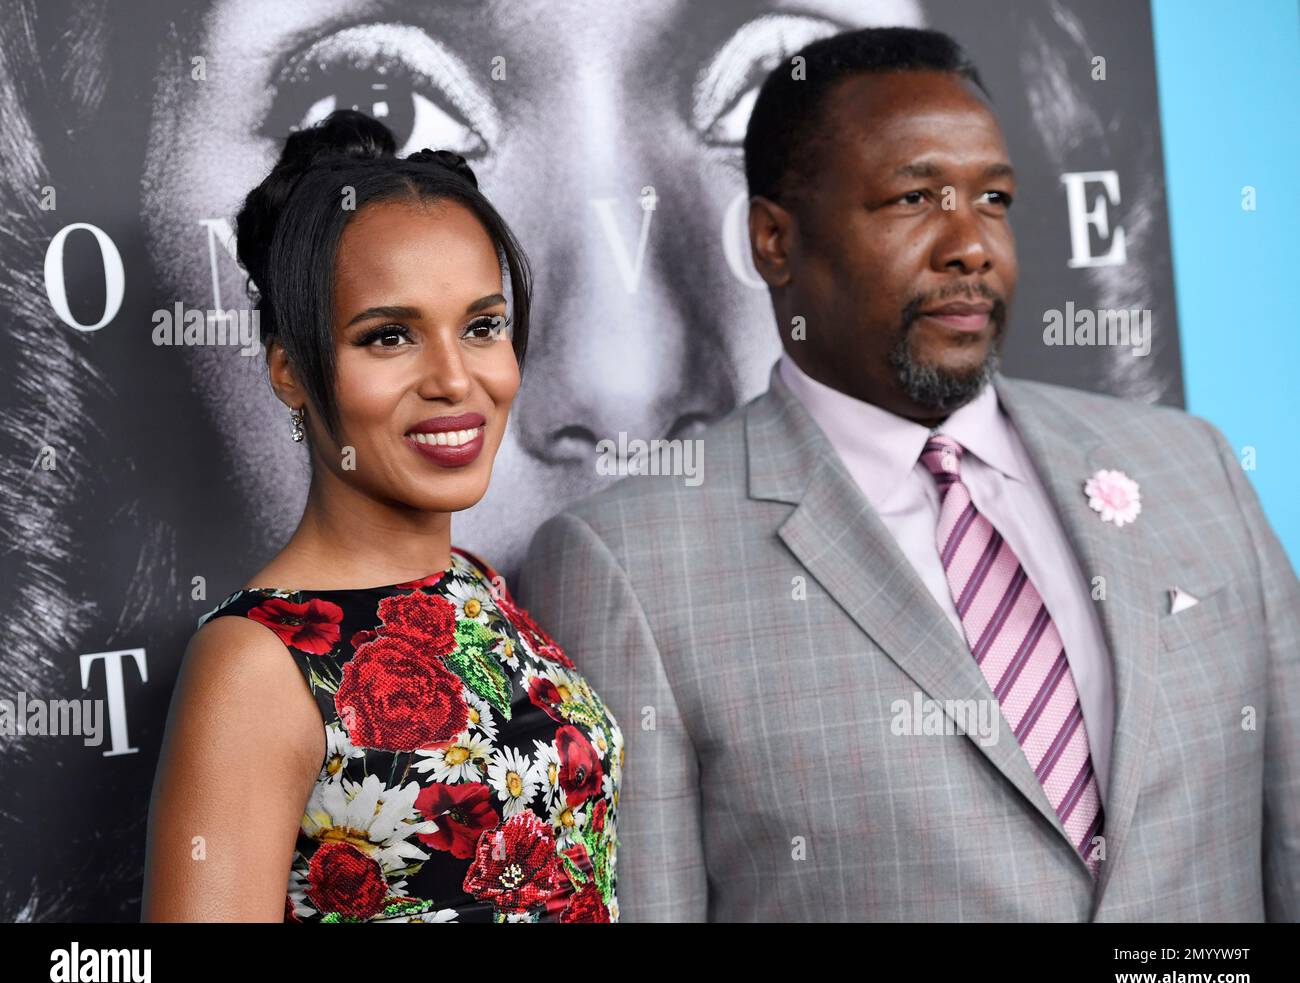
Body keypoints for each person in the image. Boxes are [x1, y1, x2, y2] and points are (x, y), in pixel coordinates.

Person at [519, 27, 1299, 921]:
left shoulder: (1192, 468)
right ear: (775, 240)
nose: (970, 244)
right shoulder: (629, 564)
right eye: (914, 198)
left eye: (993, 199)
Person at [141, 110, 621, 923]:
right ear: (291, 372)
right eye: (390, 336)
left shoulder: (475, 586)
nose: (454, 379)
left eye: (481, 327)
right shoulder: (258, 664)